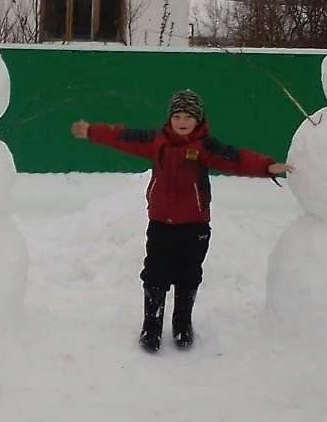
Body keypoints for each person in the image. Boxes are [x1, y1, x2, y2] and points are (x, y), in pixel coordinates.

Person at [72, 90, 291, 353]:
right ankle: (151, 326)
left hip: (194, 225)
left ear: (198, 120)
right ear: (170, 118)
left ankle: (182, 323)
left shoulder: (205, 147)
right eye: (177, 116)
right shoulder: (156, 141)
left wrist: (267, 167)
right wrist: (92, 132)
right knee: (155, 274)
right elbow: (123, 137)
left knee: (188, 275)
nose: (182, 121)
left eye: (188, 116)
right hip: (161, 224)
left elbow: (237, 159)